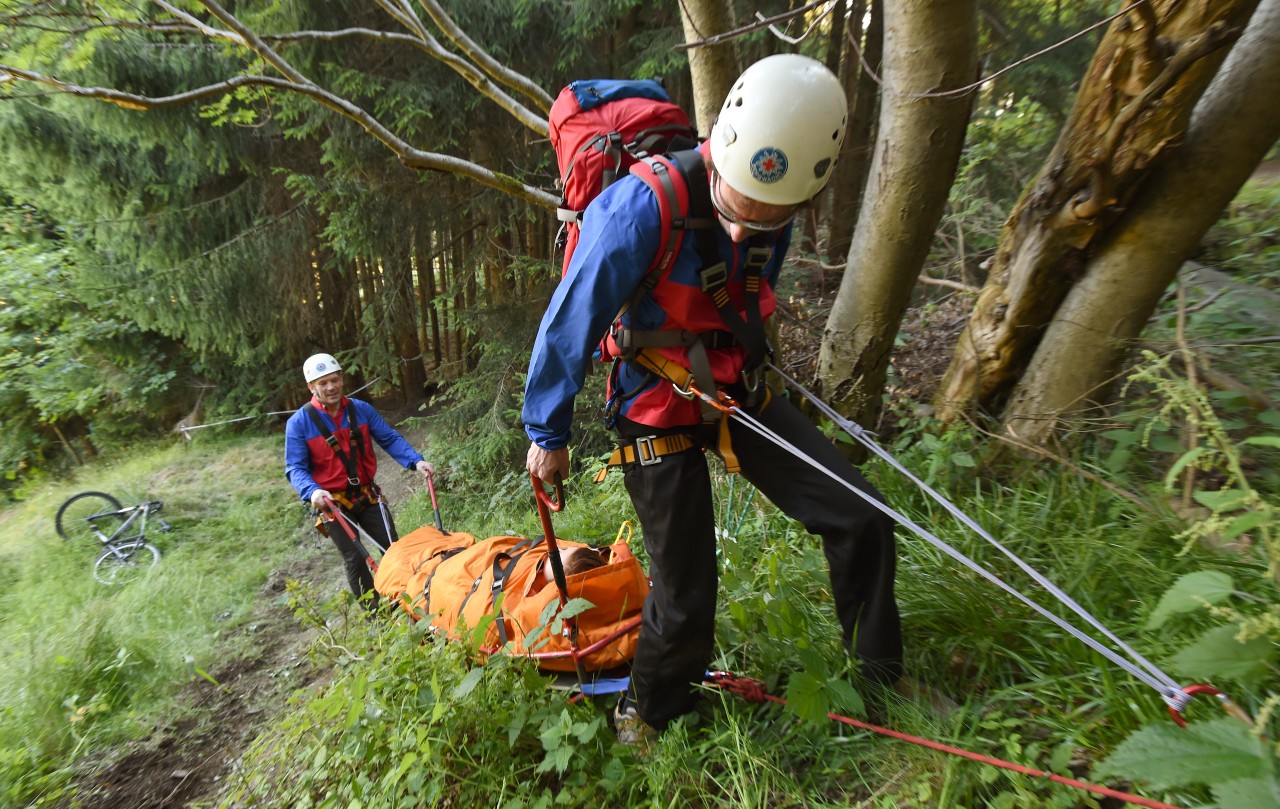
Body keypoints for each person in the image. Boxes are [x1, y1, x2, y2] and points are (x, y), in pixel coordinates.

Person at [522, 54, 904, 743]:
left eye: (764, 219)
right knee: (687, 589)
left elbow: (745, 301)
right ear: (720, 151)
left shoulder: (780, 193)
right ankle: (647, 708)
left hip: (734, 387)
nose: (740, 231)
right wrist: (547, 435)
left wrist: (752, 370)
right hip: (651, 400)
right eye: (733, 207)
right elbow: (568, 321)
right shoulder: (640, 206)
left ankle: (882, 686)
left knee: (863, 515)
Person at [284, 352, 433, 604]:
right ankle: (378, 616)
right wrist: (312, 492)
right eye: (323, 383)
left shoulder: (360, 410)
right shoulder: (299, 423)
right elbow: (295, 468)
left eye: (334, 380)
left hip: (367, 494)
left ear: (342, 380)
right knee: (355, 557)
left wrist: (415, 460)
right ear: (312, 387)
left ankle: (405, 602)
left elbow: (388, 438)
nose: (330, 387)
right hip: (333, 502)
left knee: (391, 548)